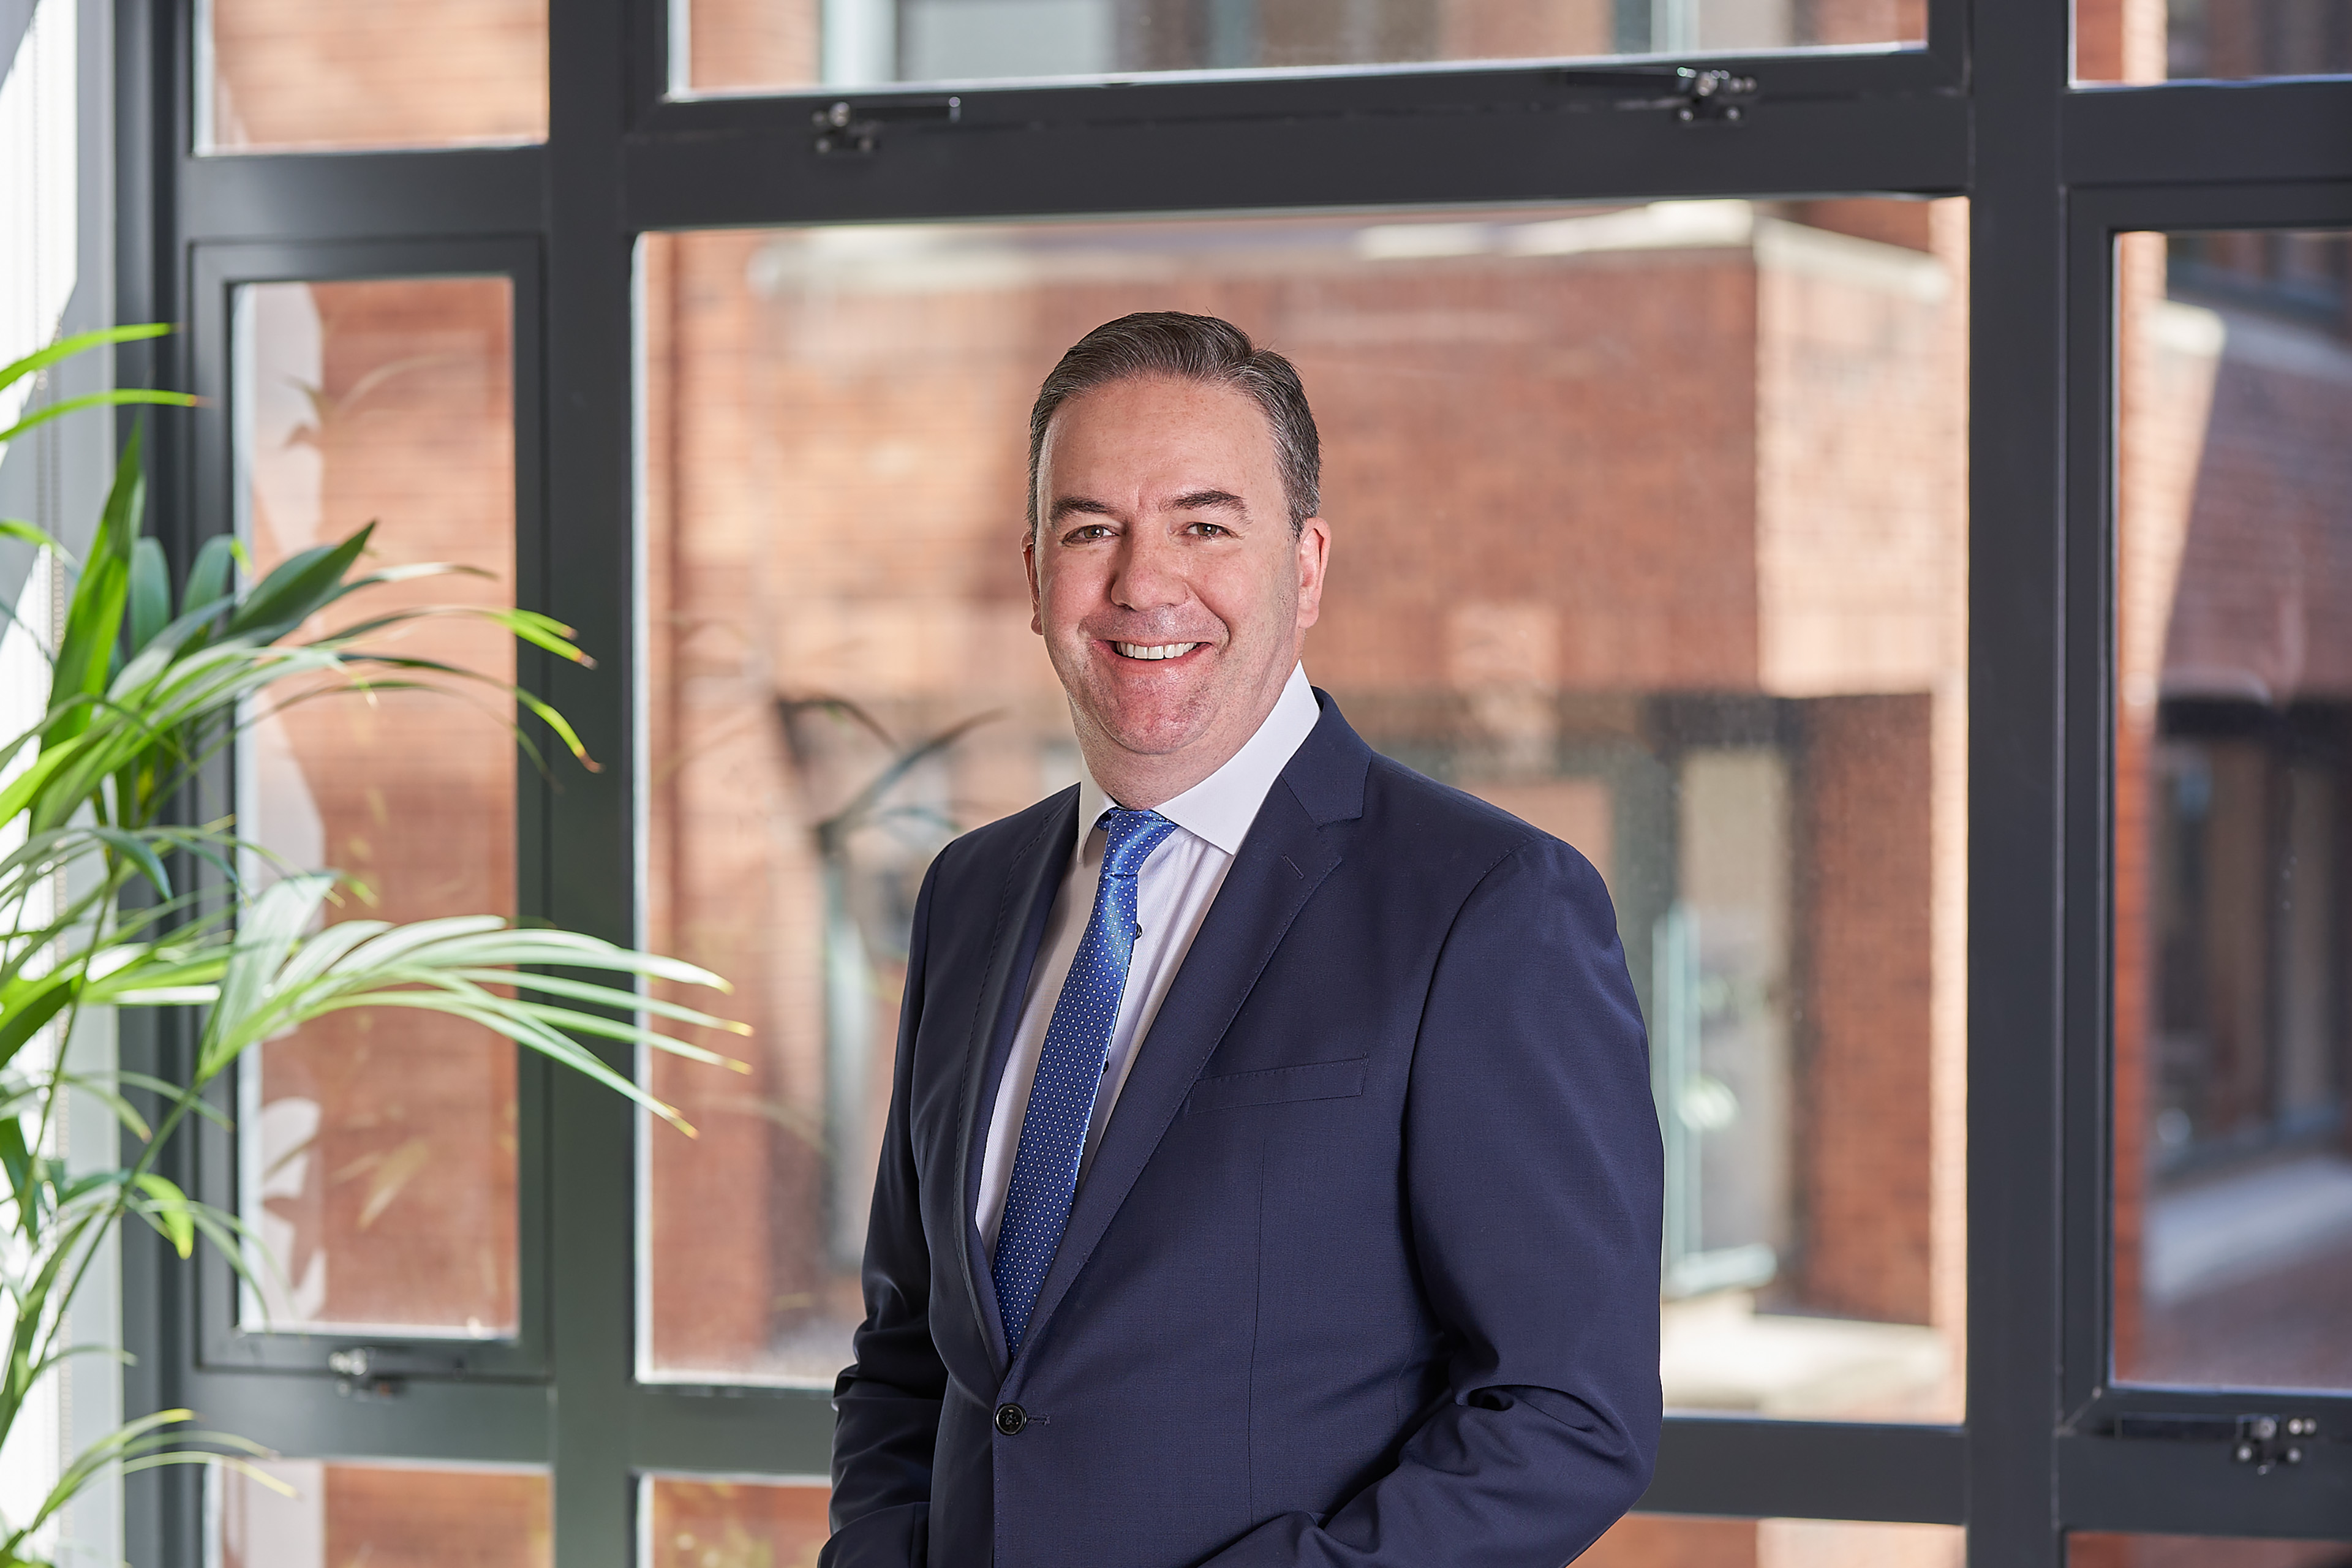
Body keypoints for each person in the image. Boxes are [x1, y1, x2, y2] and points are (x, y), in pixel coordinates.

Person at [821, 311, 1662, 1568]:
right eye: (1090, 530)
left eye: (1204, 527)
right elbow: (908, 1351)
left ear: (1307, 567)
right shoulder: (970, 895)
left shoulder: (1489, 904)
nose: (1143, 583)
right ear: (1035, 575)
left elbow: (1564, 1412)